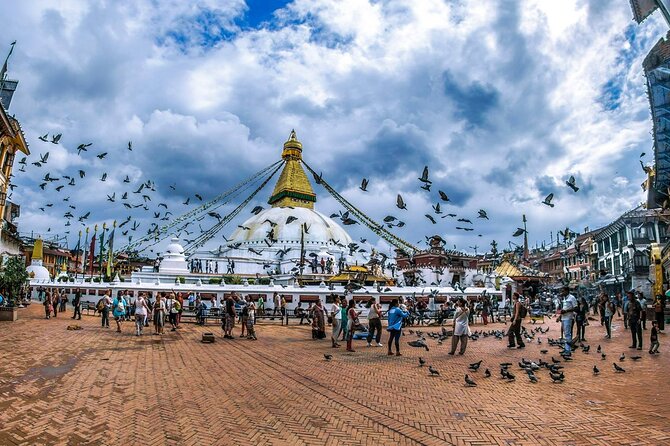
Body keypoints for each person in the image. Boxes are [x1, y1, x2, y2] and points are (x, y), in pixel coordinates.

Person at [559, 287, 577, 355]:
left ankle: (568, 350)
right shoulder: (564, 298)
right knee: (565, 333)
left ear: (567, 291)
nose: (562, 292)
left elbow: (576, 308)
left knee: (567, 334)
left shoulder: (572, 298)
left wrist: (566, 311)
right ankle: (566, 348)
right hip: (564, 318)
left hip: (568, 318)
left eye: (563, 291)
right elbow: (564, 308)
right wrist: (560, 316)